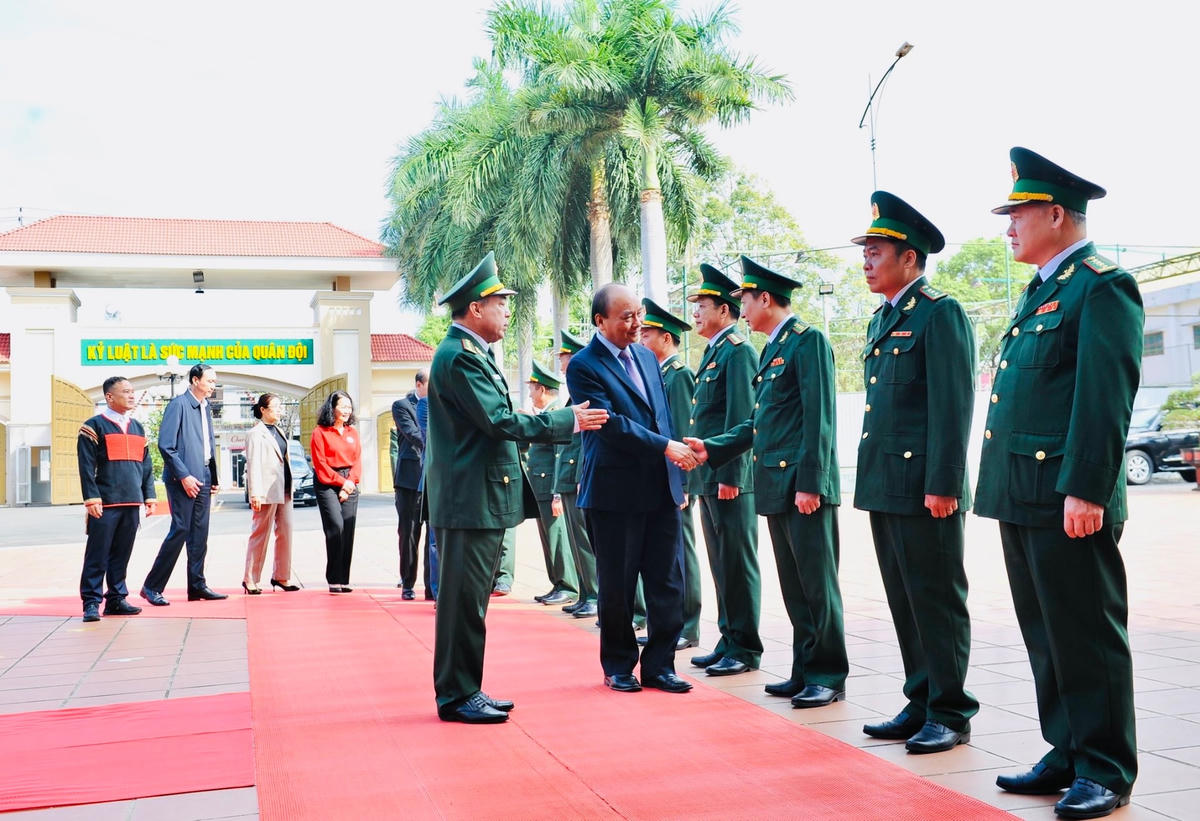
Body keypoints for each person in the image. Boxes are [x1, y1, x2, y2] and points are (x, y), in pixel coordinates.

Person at [978, 148, 1143, 819]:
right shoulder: (1043, 287)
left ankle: (1105, 766)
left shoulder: (1101, 285)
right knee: (1046, 631)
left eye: (1017, 214)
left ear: (1053, 212)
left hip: (1068, 494)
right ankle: (1068, 748)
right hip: (1023, 492)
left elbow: (1104, 399)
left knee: (1086, 632)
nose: (1008, 227)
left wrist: (1088, 488)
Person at [427, 251, 608, 724]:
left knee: (470, 601)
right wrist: (567, 419)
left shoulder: (468, 354)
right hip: (470, 499)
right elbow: (499, 421)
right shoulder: (460, 357)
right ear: (475, 309)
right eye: (501, 303)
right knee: (463, 603)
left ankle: (467, 687)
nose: (508, 311)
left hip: (475, 497)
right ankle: (456, 694)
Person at [685, 256, 848, 708]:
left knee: (818, 585)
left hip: (803, 487)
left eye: (746, 300)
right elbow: (758, 423)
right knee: (796, 587)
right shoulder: (776, 350)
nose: (743, 308)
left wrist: (812, 482)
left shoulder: (807, 341)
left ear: (766, 299)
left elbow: (820, 419)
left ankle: (828, 674)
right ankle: (804, 669)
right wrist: (711, 448)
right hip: (778, 488)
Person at [851, 192, 978, 753]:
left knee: (936, 598)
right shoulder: (886, 317)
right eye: (867, 252)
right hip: (887, 484)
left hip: (926, 487)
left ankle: (950, 710)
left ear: (910, 258)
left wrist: (944, 482)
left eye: (877, 251)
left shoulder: (939, 312)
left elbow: (953, 405)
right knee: (904, 597)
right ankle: (921, 697)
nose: (867, 261)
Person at [566, 282, 697, 696]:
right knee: (619, 585)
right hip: (614, 492)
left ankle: (660, 665)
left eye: (638, 313)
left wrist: (679, 474)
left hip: (659, 488)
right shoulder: (583, 366)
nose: (636, 323)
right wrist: (665, 448)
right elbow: (610, 425)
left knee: (667, 581)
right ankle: (619, 664)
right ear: (600, 321)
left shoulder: (645, 355)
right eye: (626, 317)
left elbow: (661, 417)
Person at [683, 269, 764, 675]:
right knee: (720, 563)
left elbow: (741, 419)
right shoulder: (715, 351)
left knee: (737, 562)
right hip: (709, 478)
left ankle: (745, 647)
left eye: (702, 306)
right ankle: (729, 637)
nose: (695, 312)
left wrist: (732, 475)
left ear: (725, 310)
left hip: (729, 479)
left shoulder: (738, 350)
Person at [638, 298, 702, 651]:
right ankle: (669, 622)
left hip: (678, 478)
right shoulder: (659, 375)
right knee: (667, 554)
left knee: (683, 552)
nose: (641, 340)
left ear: (665, 338)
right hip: (662, 479)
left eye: (647, 334)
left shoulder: (678, 376)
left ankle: (688, 625)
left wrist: (685, 482)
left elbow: (682, 432)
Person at [141, 363, 226, 605]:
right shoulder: (178, 405)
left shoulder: (205, 407)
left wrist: (213, 477)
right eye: (210, 381)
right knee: (181, 529)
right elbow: (166, 445)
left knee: (200, 534)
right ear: (195, 380)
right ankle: (152, 586)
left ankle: (197, 586)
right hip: (183, 478)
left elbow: (208, 444)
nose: (213, 385)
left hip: (204, 475)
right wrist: (185, 476)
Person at [77, 376, 156, 622]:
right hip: (105, 502)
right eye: (126, 392)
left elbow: (146, 466)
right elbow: (86, 466)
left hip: (131, 502)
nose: (132, 395)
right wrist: (91, 498)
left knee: (122, 553)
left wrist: (149, 496)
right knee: (97, 554)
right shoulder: (93, 426)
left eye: (133, 391)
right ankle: (91, 602)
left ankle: (116, 599)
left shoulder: (138, 427)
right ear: (109, 397)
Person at [525, 362, 579, 606]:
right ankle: (557, 582)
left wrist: (557, 493)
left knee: (557, 538)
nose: (530, 394)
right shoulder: (547, 414)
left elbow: (559, 453)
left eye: (532, 389)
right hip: (541, 487)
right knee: (548, 538)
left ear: (543, 390)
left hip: (550, 487)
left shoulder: (556, 413)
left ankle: (567, 585)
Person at [554, 330, 599, 620]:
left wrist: (584, 471)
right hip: (569, 476)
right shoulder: (573, 391)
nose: (562, 364)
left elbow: (588, 438)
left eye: (565, 358)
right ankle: (586, 592)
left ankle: (594, 594)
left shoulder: (585, 390)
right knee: (576, 540)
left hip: (579, 474)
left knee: (584, 541)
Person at [242, 393, 299, 594]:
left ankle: (281, 576)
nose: (280, 409)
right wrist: (255, 493)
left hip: (284, 488)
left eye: (280, 405)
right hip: (265, 490)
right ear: (263, 410)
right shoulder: (255, 433)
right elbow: (253, 464)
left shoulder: (279, 431)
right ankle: (250, 579)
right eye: (275, 406)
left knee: (286, 532)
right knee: (261, 534)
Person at [311, 390, 362, 593]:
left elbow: (357, 461)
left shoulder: (352, 432)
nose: (347, 411)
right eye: (343, 406)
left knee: (348, 530)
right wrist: (341, 483)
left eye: (349, 407)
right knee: (336, 528)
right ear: (332, 408)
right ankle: (333, 578)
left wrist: (349, 483)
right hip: (327, 483)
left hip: (349, 482)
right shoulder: (320, 432)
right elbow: (320, 465)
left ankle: (343, 579)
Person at [393, 370, 428, 600]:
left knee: (434, 536)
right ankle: (408, 583)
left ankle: (432, 586)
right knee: (409, 533)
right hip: (409, 479)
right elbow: (414, 434)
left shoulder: (440, 405)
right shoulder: (402, 406)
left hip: (432, 478)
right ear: (419, 384)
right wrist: (439, 443)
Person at [416, 379, 438, 600]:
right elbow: (431, 437)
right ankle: (438, 592)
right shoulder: (426, 404)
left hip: (461, 481)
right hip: (435, 479)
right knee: (435, 541)